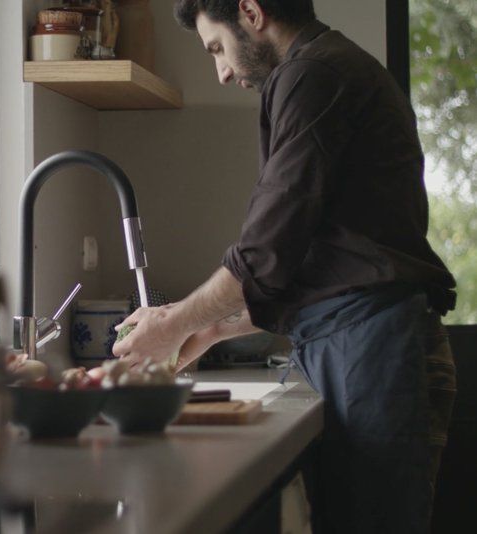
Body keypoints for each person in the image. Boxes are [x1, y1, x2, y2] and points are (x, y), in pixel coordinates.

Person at [111, 1, 458, 532]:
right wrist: (212, 327)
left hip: (374, 350)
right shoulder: (330, 69)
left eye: (216, 48)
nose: (222, 72)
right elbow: (324, 265)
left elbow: (267, 250)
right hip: (367, 343)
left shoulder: (314, 74)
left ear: (251, 11)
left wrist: (173, 321)